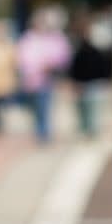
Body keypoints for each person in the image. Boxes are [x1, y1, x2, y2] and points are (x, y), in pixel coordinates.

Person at [17, 8, 70, 143]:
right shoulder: (28, 38)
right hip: (30, 79)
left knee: (44, 105)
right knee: (34, 107)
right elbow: (22, 58)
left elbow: (63, 56)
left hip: (47, 78)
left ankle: (43, 132)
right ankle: (40, 129)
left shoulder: (54, 38)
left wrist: (51, 64)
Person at [68, 14, 112, 137]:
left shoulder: (96, 48)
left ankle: (91, 133)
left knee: (92, 112)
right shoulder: (78, 48)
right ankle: (87, 132)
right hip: (84, 84)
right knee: (84, 111)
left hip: (94, 83)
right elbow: (75, 68)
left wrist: (105, 80)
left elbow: (104, 66)